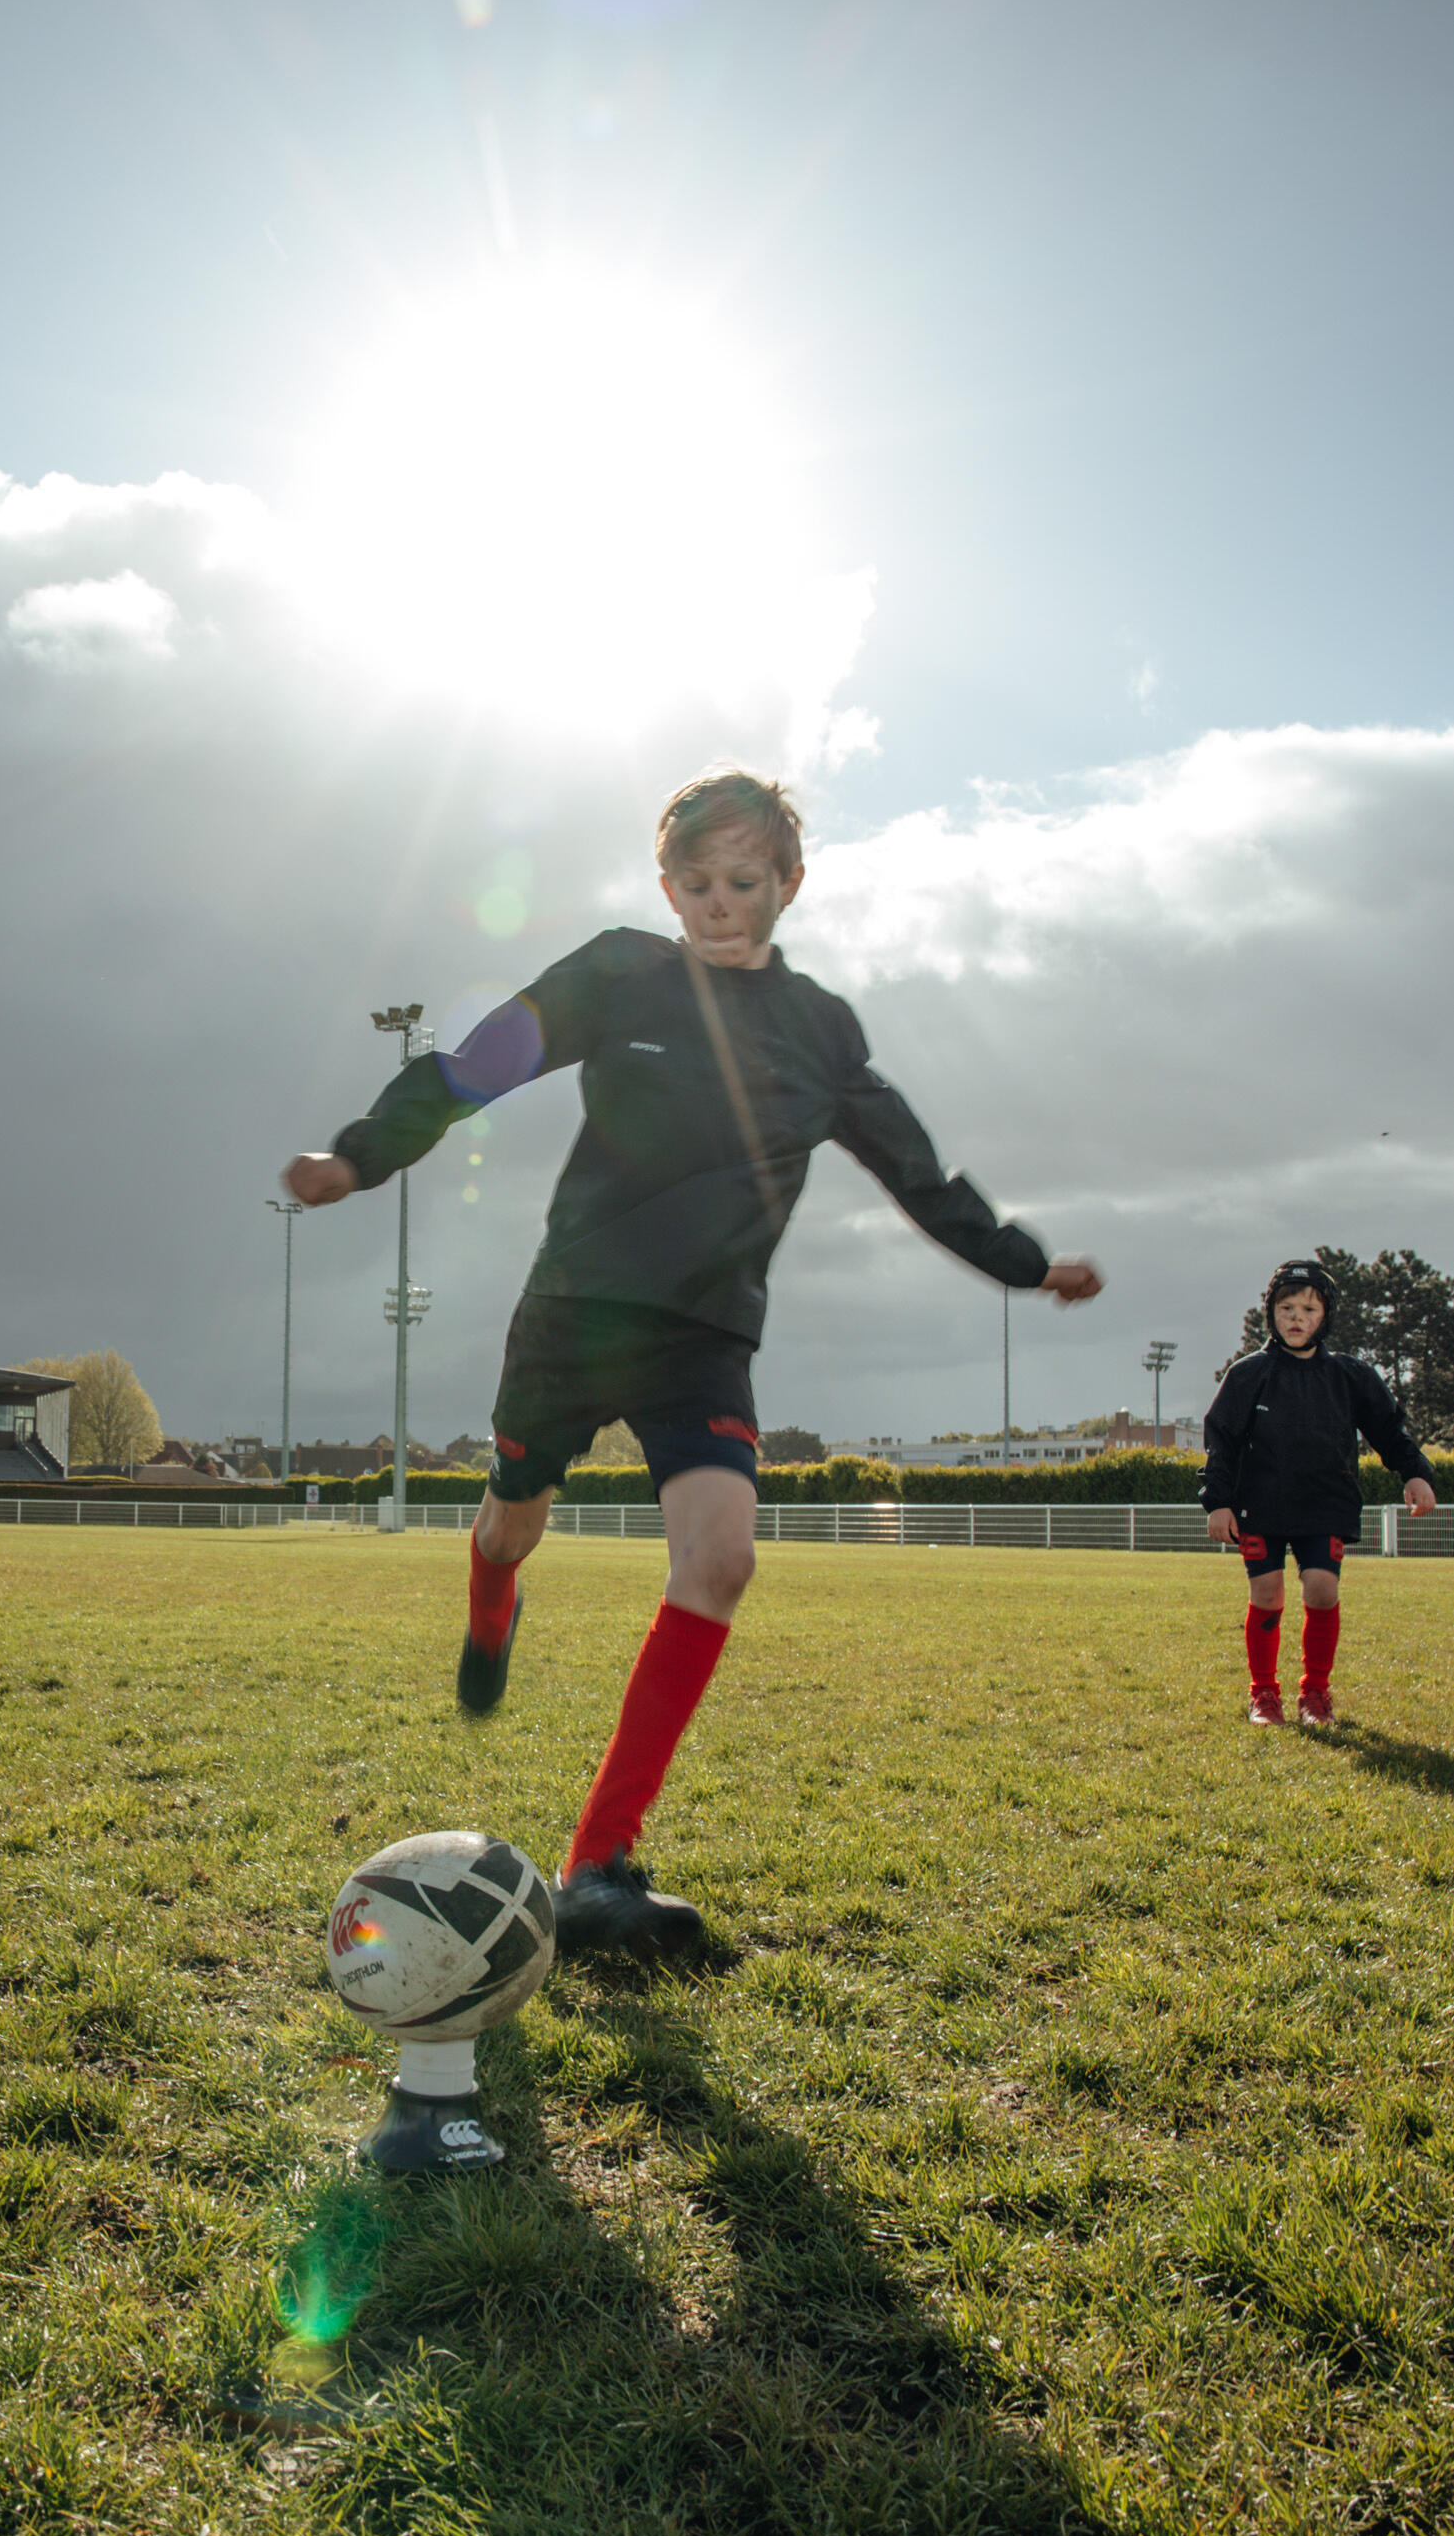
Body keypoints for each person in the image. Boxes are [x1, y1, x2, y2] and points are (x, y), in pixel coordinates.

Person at [284, 768, 1102, 1967]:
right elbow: (475, 1067)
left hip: (705, 1334)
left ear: (789, 884)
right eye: (699, 884)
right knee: (511, 1524)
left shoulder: (820, 1030)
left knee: (721, 1560)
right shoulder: (618, 974)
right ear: (667, 888)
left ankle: (597, 1865)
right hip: (574, 1314)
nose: (721, 906)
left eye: (745, 883)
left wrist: (1023, 1265)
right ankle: (491, 1605)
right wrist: (360, 1158)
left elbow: (916, 1172)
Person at [1202, 1257, 1436, 1727]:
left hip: (1325, 1502)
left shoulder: (1350, 1376)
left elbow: (1389, 1430)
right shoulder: (1248, 1374)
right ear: (1271, 1313)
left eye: (1308, 1310)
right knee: (1267, 1593)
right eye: (1286, 1308)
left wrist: (1415, 1473)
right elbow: (1221, 1440)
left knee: (1323, 1591)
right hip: (1259, 1504)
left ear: (1325, 1316)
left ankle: (1315, 1694)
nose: (1296, 1318)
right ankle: (1263, 1695)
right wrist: (1218, 1502)